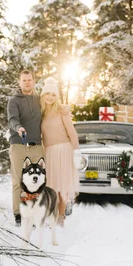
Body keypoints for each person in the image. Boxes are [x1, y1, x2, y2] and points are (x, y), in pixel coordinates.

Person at [40, 77, 79, 224]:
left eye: (53, 94)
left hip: (64, 151)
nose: (50, 97)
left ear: (57, 97)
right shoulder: (41, 114)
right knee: (52, 187)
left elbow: (72, 132)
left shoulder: (62, 111)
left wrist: (76, 150)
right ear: (43, 96)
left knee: (63, 186)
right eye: (47, 94)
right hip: (49, 153)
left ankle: (60, 218)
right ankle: (52, 215)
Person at [7, 70, 43, 227]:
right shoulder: (14, 101)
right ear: (20, 82)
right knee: (18, 181)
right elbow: (12, 119)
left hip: (37, 146)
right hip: (18, 145)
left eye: (29, 80)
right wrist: (19, 128)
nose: (27, 82)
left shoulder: (39, 100)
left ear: (33, 81)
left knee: (36, 181)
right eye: (24, 80)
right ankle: (18, 214)